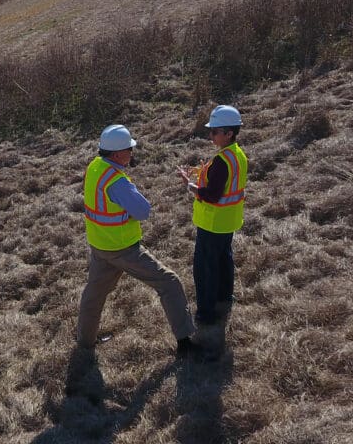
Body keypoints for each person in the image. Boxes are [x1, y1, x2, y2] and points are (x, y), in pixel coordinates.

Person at [76, 124, 202, 358]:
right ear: (116, 154)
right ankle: (186, 342)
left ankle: (85, 342)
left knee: (94, 294)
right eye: (129, 149)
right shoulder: (117, 181)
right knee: (170, 282)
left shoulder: (95, 167)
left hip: (99, 245)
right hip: (122, 248)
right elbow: (144, 211)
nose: (132, 153)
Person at [177, 105, 248, 331]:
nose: (211, 135)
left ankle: (206, 314)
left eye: (215, 131)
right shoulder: (237, 154)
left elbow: (213, 195)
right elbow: (224, 186)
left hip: (213, 223)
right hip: (229, 221)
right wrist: (201, 176)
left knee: (205, 268)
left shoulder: (222, 161)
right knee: (224, 259)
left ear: (229, 133)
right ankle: (225, 297)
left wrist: (191, 186)